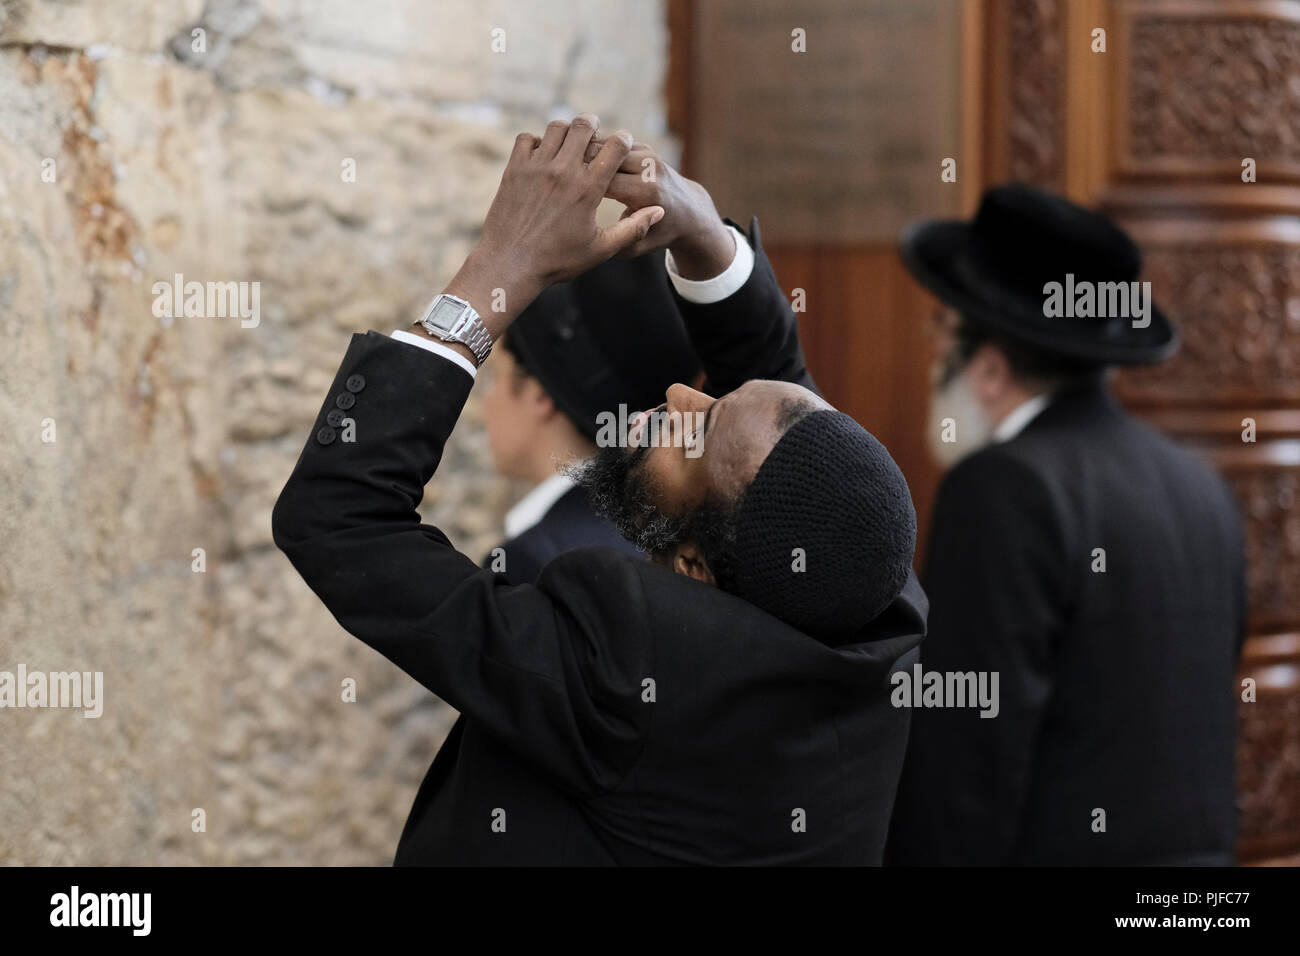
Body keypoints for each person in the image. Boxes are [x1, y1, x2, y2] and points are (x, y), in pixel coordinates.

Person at [272, 114, 926, 865]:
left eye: (694, 437)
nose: (682, 396)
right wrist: (704, 236)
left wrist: (500, 268)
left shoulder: (627, 676)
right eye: (712, 402)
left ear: (693, 571)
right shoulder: (875, 603)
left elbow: (339, 520)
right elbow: (778, 420)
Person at [887, 183, 1247, 865]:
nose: (933, 353)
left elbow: (966, 763)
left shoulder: (1000, 489)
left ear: (988, 368)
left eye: (940, 331)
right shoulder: (1200, 486)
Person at [481, 254, 699, 586]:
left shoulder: (535, 564)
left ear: (539, 395)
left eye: (495, 378)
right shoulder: (677, 536)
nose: (486, 401)